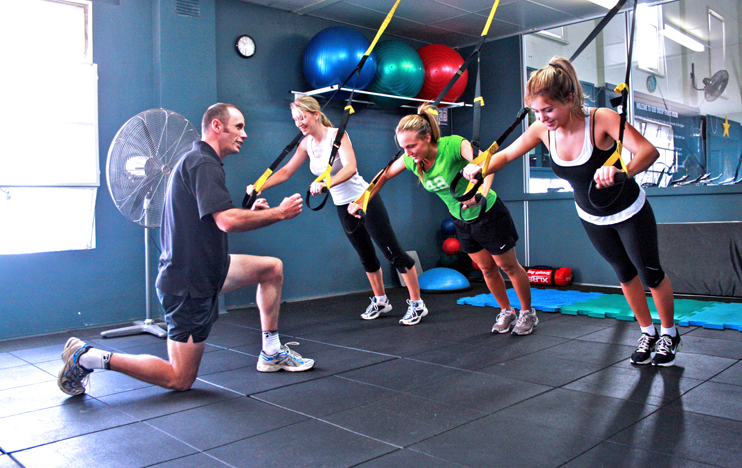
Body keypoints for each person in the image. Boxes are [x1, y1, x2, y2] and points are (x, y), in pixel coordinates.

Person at [58, 103, 314, 396]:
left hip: (210, 267)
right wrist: (280, 213)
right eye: (239, 126)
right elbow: (228, 221)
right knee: (179, 378)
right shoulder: (203, 163)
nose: (245, 134)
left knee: (271, 269)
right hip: (188, 283)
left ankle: (271, 352)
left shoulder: (200, 160)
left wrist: (253, 211)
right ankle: (87, 357)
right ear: (217, 126)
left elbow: (212, 216)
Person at [463, 56, 681, 366]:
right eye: (537, 111)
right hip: (592, 216)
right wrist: (481, 167)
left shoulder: (601, 119)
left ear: (569, 98)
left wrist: (622, 172)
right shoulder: (542, 130)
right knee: (624, 273)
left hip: (630, 210)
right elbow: (507, 154)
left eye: (548, 110)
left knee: (650, 273)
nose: (543, 117)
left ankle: (669, 334)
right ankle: (647, 332)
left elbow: (648, 151)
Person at [348, 103, 538, 336]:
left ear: (427, 137)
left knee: (507, 266)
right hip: (461, 220)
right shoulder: (411, 160)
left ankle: (528, 312)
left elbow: (487, 164)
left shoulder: (454, 145)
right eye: (403, 148)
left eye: (412, 146)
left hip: (488, 214)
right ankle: (506, 311)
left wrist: (481, 194)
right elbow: (385, 174)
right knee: (486, 268)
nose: (408, 153)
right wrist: (363, 198)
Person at [254, 96, 426, 325]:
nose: (299, 123)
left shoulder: (337, 135)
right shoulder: (306, 143)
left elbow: (351, 168)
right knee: (365, 255)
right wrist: (258, 185)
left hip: (364, 199)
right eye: (295, 119)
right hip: (342, 204)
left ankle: (417, 304)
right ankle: (381, 300)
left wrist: (326, 183)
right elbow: (286, 171)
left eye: (302, 117)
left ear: (316, 114)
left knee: (392, 252)